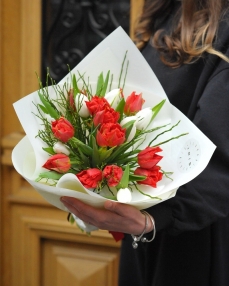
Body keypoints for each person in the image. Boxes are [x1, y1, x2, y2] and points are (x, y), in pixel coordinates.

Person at [60, 0, 229, 285]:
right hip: (148, 229)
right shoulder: (164, 12)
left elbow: (220, 151)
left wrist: (158, 215)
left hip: (199, 238)